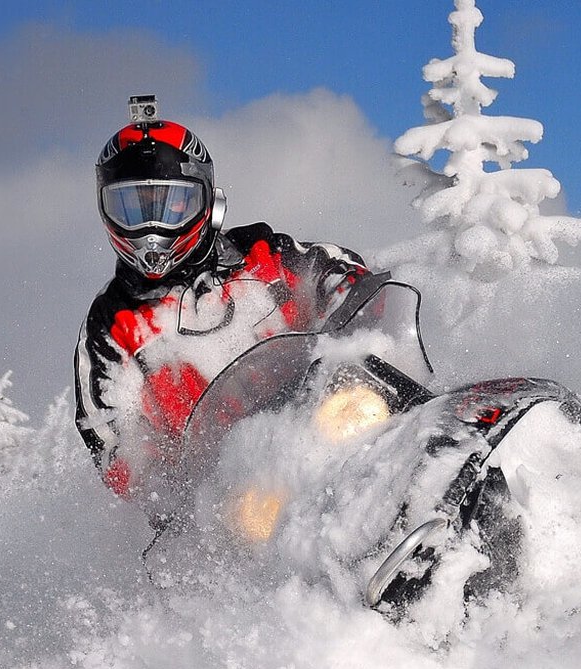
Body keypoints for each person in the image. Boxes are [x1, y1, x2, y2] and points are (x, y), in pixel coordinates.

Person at [74, 111, 371, 524]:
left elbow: (337, 272)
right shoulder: (110, 329)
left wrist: (348, 300)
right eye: (132, 207)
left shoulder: (263, 256)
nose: (153, 229)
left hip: (331, 422)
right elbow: (113, 444)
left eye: (173, 204)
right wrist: (166, 486)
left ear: (206, 200)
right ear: (107, 209)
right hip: (234, 495)